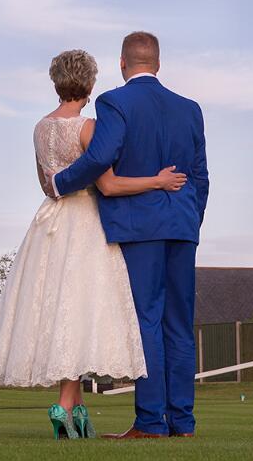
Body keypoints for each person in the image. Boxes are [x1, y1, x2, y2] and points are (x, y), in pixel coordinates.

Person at [0, 48, 187, 440]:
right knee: (79, 312)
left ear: (56, 82)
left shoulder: (40, 128)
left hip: (49, 221)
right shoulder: (89, 128)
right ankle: (68, 407)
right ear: (90, 84)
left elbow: (46, 183)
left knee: (60, 312)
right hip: (85, 222)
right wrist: (157, 181)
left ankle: (70, 407)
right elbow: (107, 184)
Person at [47, 32, 209, 439]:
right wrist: (191, 218)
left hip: (140, 228)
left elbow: (101, 157)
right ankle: (183, 424)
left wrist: (61, 183)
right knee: (179, 326)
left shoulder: (115, 102)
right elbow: (202, 176)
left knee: (146, 324)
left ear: (123, 64)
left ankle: (151, 423)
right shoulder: (191, 109)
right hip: (182, 226)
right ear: (157, 62)